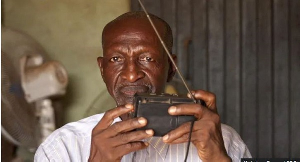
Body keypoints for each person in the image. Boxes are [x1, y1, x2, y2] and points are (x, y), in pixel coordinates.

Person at [34, 11, 251, 162]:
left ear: (171, 68)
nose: (131, 74)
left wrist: (218, 160)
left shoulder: (221, 140)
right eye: (116, 59)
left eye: (147, 58)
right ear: (102, 69)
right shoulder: (62, 147)